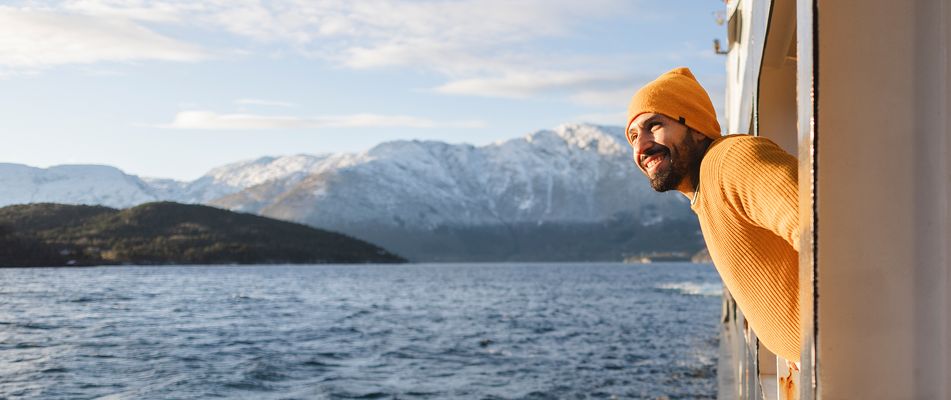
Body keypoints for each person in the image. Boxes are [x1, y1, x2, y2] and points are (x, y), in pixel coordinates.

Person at [625, 67, 801, 362]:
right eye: (632, 137)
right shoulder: (705, 190)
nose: (640, 146)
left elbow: (825, 228)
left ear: (695, 127)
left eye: (654, 125)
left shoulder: (730, 161)